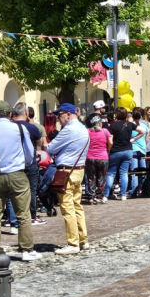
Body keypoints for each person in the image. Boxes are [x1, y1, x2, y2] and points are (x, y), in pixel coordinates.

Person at [0, 101, 39, 262]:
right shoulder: (19, 128)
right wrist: (25, 163)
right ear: (10, 114)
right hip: (17, 174)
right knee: (23, 213)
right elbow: (29, 153)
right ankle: (26, 249)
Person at [47, 104, 90, 254]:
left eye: (60, 115)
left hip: (67, 171)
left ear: (69, 114)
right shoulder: (83, 128)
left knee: (67, 208)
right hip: (79, 170)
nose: (59, 119)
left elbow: (50, 148)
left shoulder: (69, 130)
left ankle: (73, 243)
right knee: (77, 206)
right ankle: (83, 240)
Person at [11, 103, 45, 225]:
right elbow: (40, 142)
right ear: (26, 113)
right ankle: (32, 215)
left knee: (14, 191)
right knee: (31, 189)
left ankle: (13, 217)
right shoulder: (32, 127)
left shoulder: (10, 126)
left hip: (14, 162)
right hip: (30, 161)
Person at [104, 108, 138, 201]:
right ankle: (123, 195)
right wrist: (133, 139)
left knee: (111, 173)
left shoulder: (113, 125)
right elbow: (143, 131)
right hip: (128, 150)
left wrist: (109, 149)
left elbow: (110, 140)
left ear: (117, 115)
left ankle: (106, 195)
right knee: (124, 173)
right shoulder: (130, 124)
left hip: (116, 150)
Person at [85, 115, 111, 203]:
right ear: (100, 124)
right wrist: (107, 149)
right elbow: (110, 142)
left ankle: (91, 196)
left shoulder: (87, 131)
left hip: (90, 157)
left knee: (91, 177)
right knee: (102, 176)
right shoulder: (105, 131)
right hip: (103, 156)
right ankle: (100, 196)